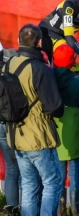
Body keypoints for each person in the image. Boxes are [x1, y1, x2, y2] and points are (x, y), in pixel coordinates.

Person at [4, 24, 64, 216]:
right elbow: (55, 107)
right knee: (52, 182)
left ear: (18, 41)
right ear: (39, 43)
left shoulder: (7, 65)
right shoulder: (40, 69)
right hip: (38, 137)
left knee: (29, 185)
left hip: (15, 136)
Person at [53, 45, 79, 216]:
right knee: (75, 175)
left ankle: (59, 210)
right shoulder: (78, 84)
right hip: (74, 135)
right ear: (72, 63)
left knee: (58, 177)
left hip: (54, 136)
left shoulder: (48, 80)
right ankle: (77, 211)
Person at [0, 43, 21, 216]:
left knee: (11, 166)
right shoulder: (10, 71)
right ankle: (17, 206)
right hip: (7, 122)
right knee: (14, 166)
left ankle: (11, 206)